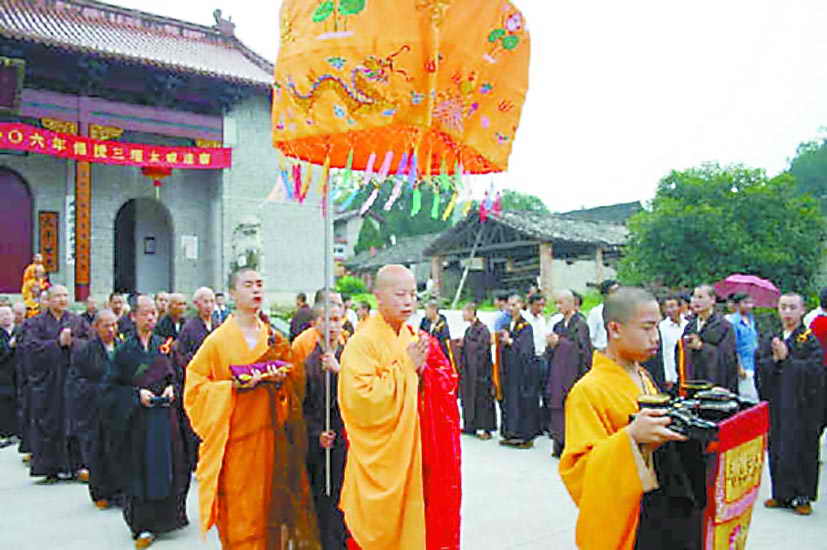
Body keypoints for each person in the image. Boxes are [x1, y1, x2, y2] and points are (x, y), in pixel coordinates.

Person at [184, 268, 319, 549]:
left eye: (259, 284)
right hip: (237, 446)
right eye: (248, 285)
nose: (256, 290)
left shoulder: (273, 337)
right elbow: (194, 391)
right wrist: (232, 388)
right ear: (233, 294)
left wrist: (283, 380)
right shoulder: (218, 341)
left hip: (273, 443)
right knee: (242, 519)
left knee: (274, 515)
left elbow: (296, 386)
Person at [338, 265, 461, 550]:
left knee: (419, 525)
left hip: (417, 453)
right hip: (383, 458)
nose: (408, 301)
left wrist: (425, 374)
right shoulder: (362, 343)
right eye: (400, 294)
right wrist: (406, 369)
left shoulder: (416, 338)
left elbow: (445, 387)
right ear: (378, 296)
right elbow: (359, 401)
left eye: (413, 295)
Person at [559, 287, 688, 550]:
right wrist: (630, 438)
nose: (656, 338)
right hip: (620, 525)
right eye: (647, 328)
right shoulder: (587, 390)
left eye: (657, 328)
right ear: (615, 329)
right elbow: (579, 472)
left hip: (656, 516)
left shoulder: (642, 376)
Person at [100, 295, 189, 548]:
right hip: (138, 421)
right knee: (140, 469)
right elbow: (110, 389)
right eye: (145, 313)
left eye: (153, 313)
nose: (151, 317)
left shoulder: (165, 345)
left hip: (166, 417)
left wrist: (173, 388)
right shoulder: (124, 351)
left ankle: (169, 518)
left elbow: (181, 375)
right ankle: (142, 524)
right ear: (133, 317)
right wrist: (136, 396)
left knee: (171, 464)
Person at [757, 293, 825, 516]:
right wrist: (775, 361)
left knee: (802, 447)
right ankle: (781, 494)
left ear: (802, 310)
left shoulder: (809, 339)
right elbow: (761, 366)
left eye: (792, 308)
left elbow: (816, 372)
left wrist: (788, 360)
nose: (787, 312)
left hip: (802, 405)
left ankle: (803, 495)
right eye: (783, 307)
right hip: (778, 402)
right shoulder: (772, 337)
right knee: (778, 446)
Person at [24, 285, 90, 483]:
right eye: (58, 296)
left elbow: (89, 344)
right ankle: (49, 468)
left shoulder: (77, 321)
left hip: (72, 380)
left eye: (65, 295)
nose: (62, 299)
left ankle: (77, 466)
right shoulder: (35, 323)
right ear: (49, 300)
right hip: (48, 382)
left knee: (75, 421)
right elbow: (30, 349)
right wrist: (56, 344)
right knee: (49, 422)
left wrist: (74, 344)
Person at [303, 304, 348, 550]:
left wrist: (341, 372)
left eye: (336, 319)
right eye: (326, 320)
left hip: (348, 437)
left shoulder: (350, 355)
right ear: (315, 325)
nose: (332, 326)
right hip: (322, 444)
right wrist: (316, 433)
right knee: (324, 500)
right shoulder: (308, 362)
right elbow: (304, 408)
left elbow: (361, 393)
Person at [69, 309, 121, 508]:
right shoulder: (85, 351)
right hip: (95, 409)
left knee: (118, 451)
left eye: (114, 325)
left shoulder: (122, 347)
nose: (111, 329)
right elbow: (76, 381)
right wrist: (99, 389)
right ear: (95, 327)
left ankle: (119, 491)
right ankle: (101, 493)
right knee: (97, 452)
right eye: (106, 325)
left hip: (117, 409)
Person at [174, 287, 217, 471]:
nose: (209, 306)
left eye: (211, 301)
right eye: (205, 301)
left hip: (216, 383)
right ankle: (196, 461)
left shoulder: (218, 325)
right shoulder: (189, 328)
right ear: (197, 304)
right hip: (198, 383)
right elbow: (181, 356)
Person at [545, 289, 593, 457]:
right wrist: (551, 345)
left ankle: (571, 446)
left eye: (561, 302)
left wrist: (560, 343)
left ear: (572, 303)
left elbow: (583, 351)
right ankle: (559, 444)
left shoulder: (580, 324)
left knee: (572, 410)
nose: (558, 306)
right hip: (558, 374)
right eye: (556, 303)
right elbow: (552, 351)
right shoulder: (558, 325)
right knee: (557, 408)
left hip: (574, 375)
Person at [678, 284, 738, 393]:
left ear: (712, 300)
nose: (696, 301)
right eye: (694, 297)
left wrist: (702, 347)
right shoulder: (690, 326)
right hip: (692, 382)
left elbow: (727, 358)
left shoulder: (724, 326)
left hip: (715, 383)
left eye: (700, 297)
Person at [498, 293, 539, 449]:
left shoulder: (526, 326)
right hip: (509, 372)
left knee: (522, 403)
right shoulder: (508, 325)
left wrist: (510, 342)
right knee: (509, 403)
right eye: (509, 304)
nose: (511, 307)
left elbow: (526, 350)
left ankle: (524, 436)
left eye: (515, 304)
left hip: (523, 373)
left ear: (522, 306)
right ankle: (510, 434)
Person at [459, 302, 496, 439]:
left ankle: (486, 429)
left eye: (465, 312)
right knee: (469, 398)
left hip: (481, 372)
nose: (463, 315)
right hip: (469, 372)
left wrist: (467, 345)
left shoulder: (483, 329)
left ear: (471, 312)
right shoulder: (469, 330)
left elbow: (481, 350)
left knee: (483, 400)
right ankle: (471, 426)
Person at [729, 293, 759, 402]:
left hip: (754, 363)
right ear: (737, 305)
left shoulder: (751, 320)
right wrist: (739, 367)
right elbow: (733, 346)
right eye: (745, 303)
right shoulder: (733, 322)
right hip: (743, 366)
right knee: (748, 399)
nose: (749, 306)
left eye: (750, 303)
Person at [657, 295, 688, 393]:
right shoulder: (662, 328)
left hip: (686, 370)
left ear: (680, 307)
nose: (670, 310)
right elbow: (664, 352)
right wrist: (668, 376)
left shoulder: (688, 325)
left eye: (672, 306)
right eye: (667, 307)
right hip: (671, 373)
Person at [586, 279, 620, 353]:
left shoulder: (625, 311)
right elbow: (589, 337)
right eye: (614, 292)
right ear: (605, 295)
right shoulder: (596, 312)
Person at [0, 306, 17, 447]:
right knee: (5, 404)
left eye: (8, 314)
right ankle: (6, 434)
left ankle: (18, 432)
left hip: (20, 374)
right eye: (2, 315)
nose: (6, 317)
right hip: (3, 375)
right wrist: (9, 347)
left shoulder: (20, 331)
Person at [420, 300, 453, 369]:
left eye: (427, 310)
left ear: (434, 310)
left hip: (437, 358)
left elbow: (445, 345)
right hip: (426, 357)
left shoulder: (443, 325)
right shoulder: (424, 322)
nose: (425, 312)